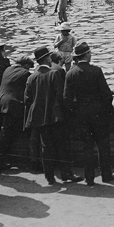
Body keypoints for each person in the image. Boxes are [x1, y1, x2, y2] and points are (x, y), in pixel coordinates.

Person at [23, 46, 81, 185]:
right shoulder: (54, 74)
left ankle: (49, 177)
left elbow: (27, 100)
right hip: (55, 117)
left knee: (46, 147)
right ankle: (66, 173)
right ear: (46, 58)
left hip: (39, 118)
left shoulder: (32, 77)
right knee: (62, 145)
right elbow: (61, 96)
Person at [64, 42, 114, 185]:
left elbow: (67, 99)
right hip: (98, 114)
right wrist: (106, 111)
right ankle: (106, 175)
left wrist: (76, 112)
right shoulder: (96, 71)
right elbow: (106, 95)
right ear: (87, 54)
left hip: (81, 114)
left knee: (87, 146)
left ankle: (89, 178)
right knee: (103, 145)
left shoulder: (70, 73)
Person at [0, 56, 34, 173]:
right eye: (29, 67)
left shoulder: (8, 69)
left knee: (2, 132)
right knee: (6, 134)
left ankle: (0, 158)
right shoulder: (25, 73)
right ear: (26, 65)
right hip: (11, 105)